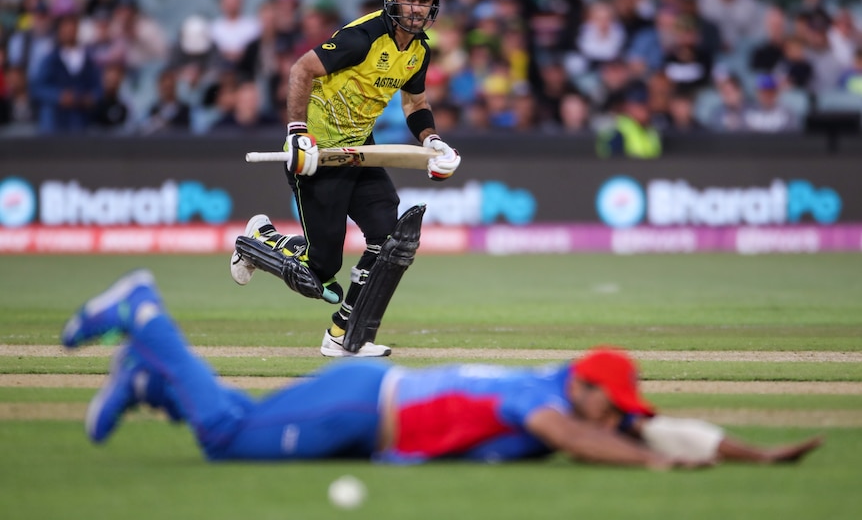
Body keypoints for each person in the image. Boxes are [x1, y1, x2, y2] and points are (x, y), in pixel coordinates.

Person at [60, 269, 823, 467]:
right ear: (585, 383)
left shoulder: (579, 393)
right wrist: (650, 467)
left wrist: (756, 454)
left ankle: (149, 379)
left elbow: (662, 429)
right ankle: (147, 314)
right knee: (227, 437)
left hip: (369, 410)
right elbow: (583, 437)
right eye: (610, 399)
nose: (616, 411)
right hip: (365, 409)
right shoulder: (545, 398)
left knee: (251, 420)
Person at [229, 0, 461, 358]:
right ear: (391, 0)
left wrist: (433, 140)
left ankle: (344, 335)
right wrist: (298, 133)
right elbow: (301, 69)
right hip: (317, 149)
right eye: (409, 0)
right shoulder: (363, 37)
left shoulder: (419, 51)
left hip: (358, 148)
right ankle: (257, 241)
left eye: (425, 2)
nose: (417, 9)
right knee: (317, 272)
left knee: (388, 238)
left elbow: (415, 102)